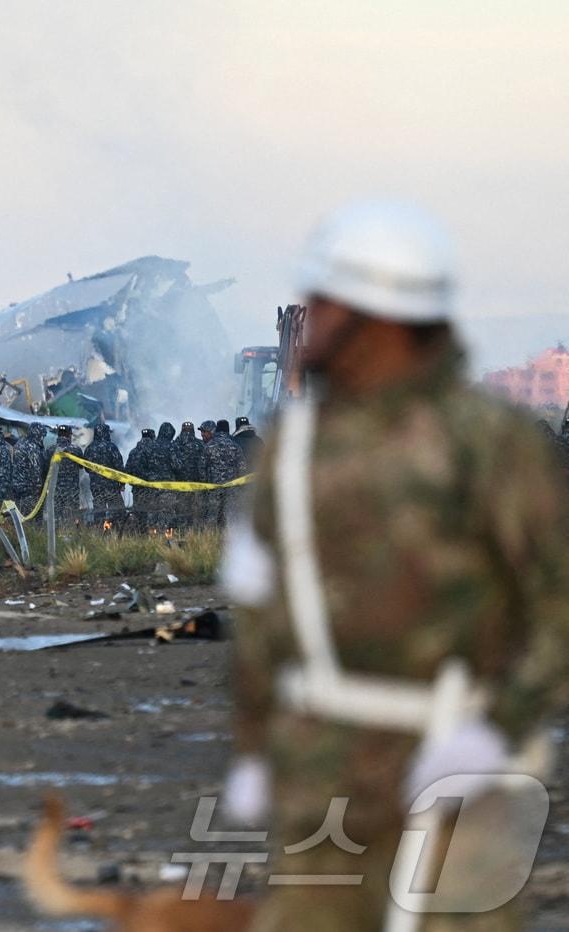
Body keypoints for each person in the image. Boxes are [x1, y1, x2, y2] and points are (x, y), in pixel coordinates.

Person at [224, 200, 569, 931]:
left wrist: (497, 728)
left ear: (376, 317)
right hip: (323, 774)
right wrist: (256, 747)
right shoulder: (297, 446)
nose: (309, 322)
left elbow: (557, 606)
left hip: (455, 762)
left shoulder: (489, 445)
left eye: (325, 303)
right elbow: (260, 613)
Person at [200, 418, 245, 527]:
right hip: (231, 488)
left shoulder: (209, 446)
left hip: (213, 487)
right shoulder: (235, 446)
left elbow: (201, 467)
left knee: (212, 515)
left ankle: (210, 536)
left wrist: (205, 484)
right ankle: (229, 536)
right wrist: (238, 485)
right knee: (230, 515)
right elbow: (242, 468)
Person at [83, 421, 124, 525]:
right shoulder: (112, 447)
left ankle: (98, 529)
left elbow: (86, 468)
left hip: (96, 486)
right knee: (117, 510)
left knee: (99, 509)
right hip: (112, 486)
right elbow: (119, 466)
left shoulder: (89, 448)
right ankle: (117, 529)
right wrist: (122, 483)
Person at [170, 420, 207, 527]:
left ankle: (182, 533)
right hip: (198, 486)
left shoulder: (175, 444)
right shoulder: (201, 444)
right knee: (197, 513)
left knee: (181, 513)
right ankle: (195, 533)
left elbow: (173, 465)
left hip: (179, 486)